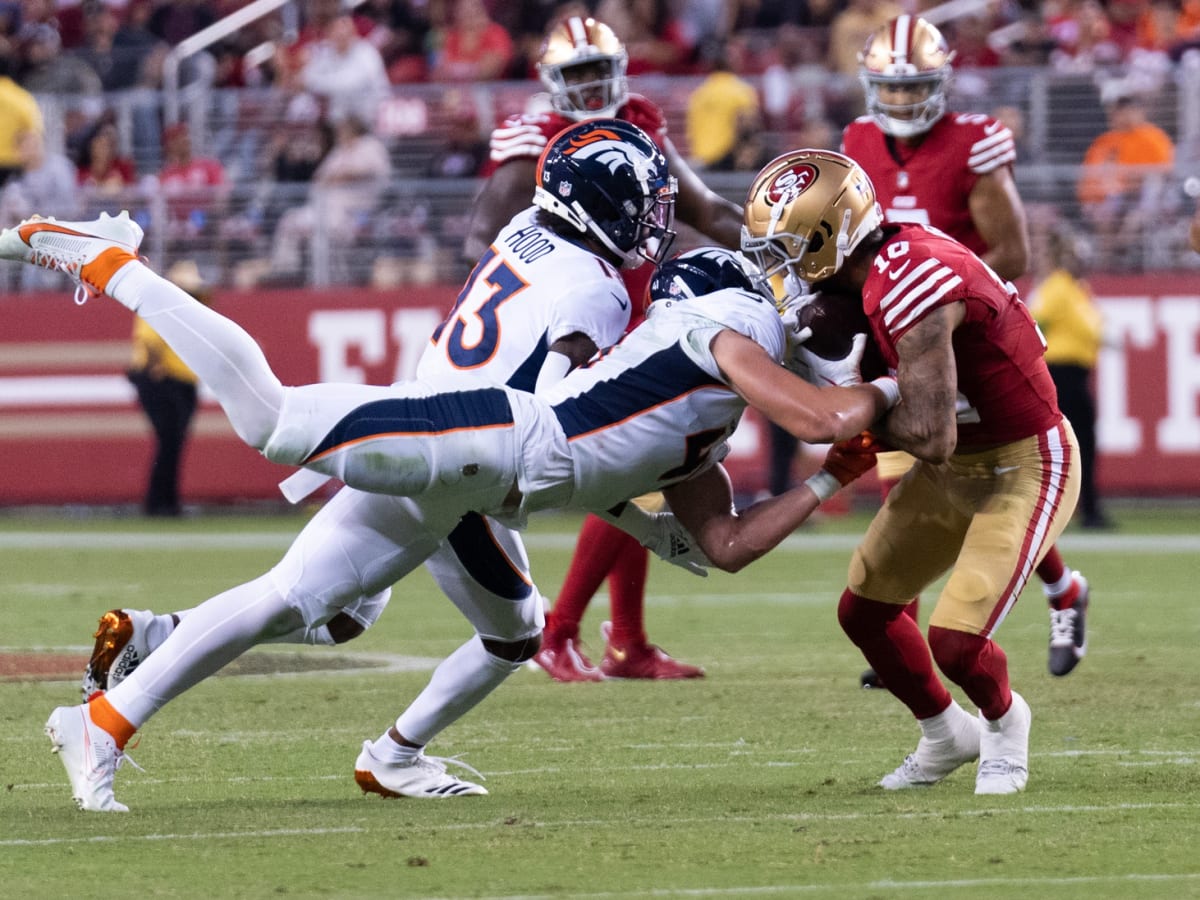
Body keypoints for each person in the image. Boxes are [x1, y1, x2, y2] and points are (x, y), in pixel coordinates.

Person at [4, 191, 898, 814]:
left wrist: (779, 495)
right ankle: (109, 259)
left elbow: (657, 488)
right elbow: (592, 408)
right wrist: (896, 400)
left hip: (485, 463)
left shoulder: (568, 261)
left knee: (430, 620)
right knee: (273, 426)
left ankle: (374, 750)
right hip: (482, 443)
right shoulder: (718, 324)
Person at [742, 148, 1081, 795]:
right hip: (956, 467)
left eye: (788, 245)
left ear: (830, 236)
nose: (780, 264)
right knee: (864, 610)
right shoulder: (872, 269)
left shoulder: (909, 280)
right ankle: (945, 734)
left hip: (1024, 461)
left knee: (956, 641)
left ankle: (1005, 722)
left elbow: (929, 432)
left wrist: (843, 406)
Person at [465, 15, 747, 681]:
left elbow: (703, 209)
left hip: (637, 306)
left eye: (599, 71)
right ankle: (561, 630)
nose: (592, 85)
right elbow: (487, 233)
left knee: (646, 468)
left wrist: (775, 244)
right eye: (578, 74)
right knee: (633, 469)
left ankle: (627, 641)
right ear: (551, 81)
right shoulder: (530, 136)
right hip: (577, 318)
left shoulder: (641, 120)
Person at [843, 14, 1090, 683]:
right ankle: (916, 629)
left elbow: (1011, 251)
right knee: (931, 479)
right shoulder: (857, 141)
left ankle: (1056, 592)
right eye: (888, 89)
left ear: (943, 80)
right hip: (893, 328)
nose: (898, 103)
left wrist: (934, 293)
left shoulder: (976, 140)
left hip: (959, 327)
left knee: (975, 468)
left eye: (912, 87)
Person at [1029, 228, 1110, 534]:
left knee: (1078, 445)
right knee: (1077, 445)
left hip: (1073, 374)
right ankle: (1085, 510)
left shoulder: (1073, 288)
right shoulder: (1059, 287)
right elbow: (1037, 321)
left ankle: (1086, 508)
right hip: (1062, 374)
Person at [126, 260, 211, 518]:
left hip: (179, 381)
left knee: (172, 443)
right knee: (170, 442)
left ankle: (165, 501)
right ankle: (160, 502)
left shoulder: (180, 309)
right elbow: (149, 342)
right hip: (165, 380)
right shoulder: (159, 306)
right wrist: (156, 369)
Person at [1076, 93, 1174, 269]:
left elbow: (1163, 173)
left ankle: (1122, 246)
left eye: (1130, 111)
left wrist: (1134, 179)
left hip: (1144, 197)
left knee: (1139, 211)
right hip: (1113, 197)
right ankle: (1107, 264)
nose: (1126, 116)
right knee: (1104, 215)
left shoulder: (1153, 137)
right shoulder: (1105, 141)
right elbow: (1092, 177)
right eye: (1120, 112)